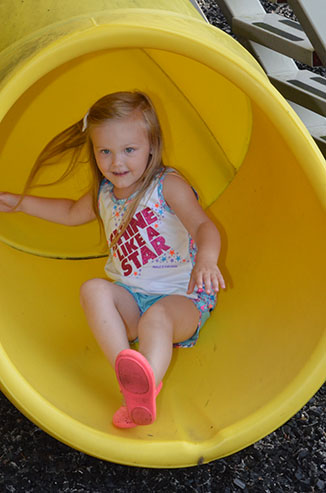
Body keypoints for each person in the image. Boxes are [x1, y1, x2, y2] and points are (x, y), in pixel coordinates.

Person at [0, 91, 226, 428]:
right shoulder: (106, 192)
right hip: (132, 300)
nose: (116, 163)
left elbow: (204, 225)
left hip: (182, 299)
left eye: (128, 150)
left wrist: (206, 261)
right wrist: (18, 203)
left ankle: (142, 382)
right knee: (93, 289)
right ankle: (129, 370)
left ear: (152, 145)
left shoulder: (167, 186)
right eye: (104, 151)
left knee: (156, 319)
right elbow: (70, 212)